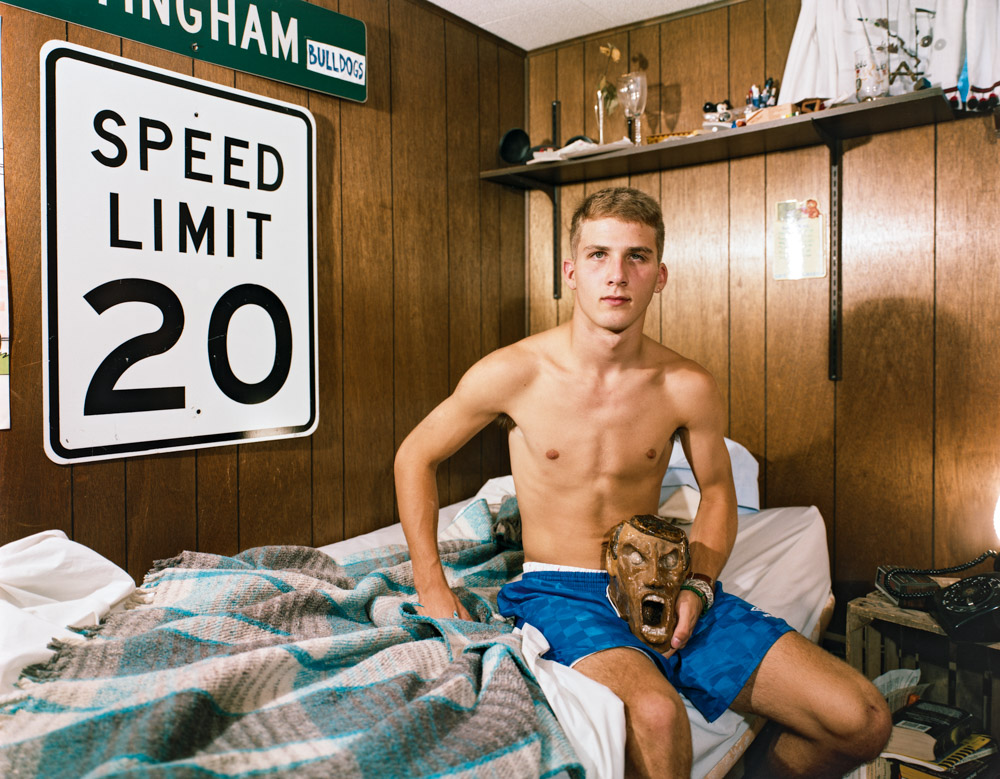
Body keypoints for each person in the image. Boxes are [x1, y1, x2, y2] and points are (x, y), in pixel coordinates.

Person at [394, 187, 891, 778]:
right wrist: (431, 582)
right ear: (571, 272)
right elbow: (414, 456)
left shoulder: (686, 385)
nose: (617, 274)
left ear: (660, 275)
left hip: (666, 582)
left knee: (861, 719)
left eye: (637, 256)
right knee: (656, 714)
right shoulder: (514, 372)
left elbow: (719, 492)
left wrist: (698, 584)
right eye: (599, 255)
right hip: (561, 589)